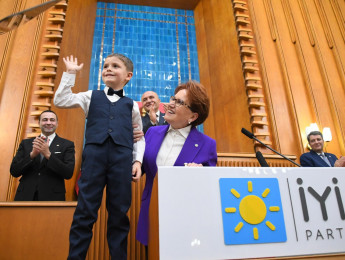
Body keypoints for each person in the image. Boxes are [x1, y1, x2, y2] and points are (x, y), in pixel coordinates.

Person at [54, 54, 145, 260]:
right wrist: (70, 73)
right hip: (94, 159)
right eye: (105, 66)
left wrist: (137, 160)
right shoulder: (90, 96)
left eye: (115, 66)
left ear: (128, 76)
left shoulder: (132, 106)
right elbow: (60, 100)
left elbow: (138, 137)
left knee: (119, 215)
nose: (108, 69)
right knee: (84, 212)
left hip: (121, 162)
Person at [136, 80, 217, 247]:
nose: (170, 104)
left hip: (185, 219)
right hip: (152, 210)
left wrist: (200, 174)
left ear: (193, 116)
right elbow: (140, 167)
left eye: (179, 102)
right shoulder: (152, 132)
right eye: (173, 98)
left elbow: (210, 188)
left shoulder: (207, 145)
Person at [10, 110, 75, 201]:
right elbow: (14, 171)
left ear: (57, 123)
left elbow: (68, 173)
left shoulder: (67, 145)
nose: (48, 122)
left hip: (52, 197)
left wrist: (48, 155)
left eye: (52, 120)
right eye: (45, 120)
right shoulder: (26, 143)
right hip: (25, 196)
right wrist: (31, 156)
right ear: (39, 123)